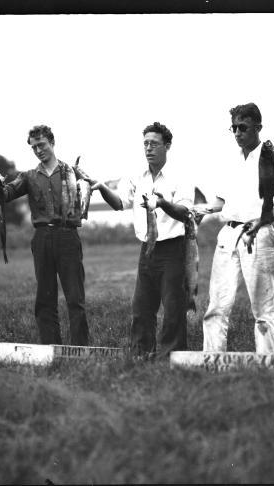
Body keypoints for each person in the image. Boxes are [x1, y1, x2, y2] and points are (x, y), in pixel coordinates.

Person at [1, 125, 120, 346]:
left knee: (75, 298)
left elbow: (105, 194)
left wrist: (97, 184)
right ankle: (50, 346)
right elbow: (6, 193)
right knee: (44, 299)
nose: (38, 150)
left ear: (52, 143)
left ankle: (80, 347)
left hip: (68, 236)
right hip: (42, 238)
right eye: (34, 147)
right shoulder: (28, 176)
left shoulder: (73, 172)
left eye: (42, 145)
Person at [194, 103, 274, 353]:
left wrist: (261, 222)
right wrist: (198, 210)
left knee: (262, 308)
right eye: (233, 128)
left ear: (258, 127)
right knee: (217, 304)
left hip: (258, 234)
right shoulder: (230, 162)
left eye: (243, 127)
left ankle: (266, 361)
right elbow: (220, 203)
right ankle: (212, 358)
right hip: (227, 235)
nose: (237, 133)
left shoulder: (270, 158)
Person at [113, 122, 194, 359]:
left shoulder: (181, 177)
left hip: (174, 249)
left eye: (154, 143)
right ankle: (141, 355)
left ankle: (172, 357)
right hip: (146, 249)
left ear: (167, 146)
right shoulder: (136, 177)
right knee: (141, 308)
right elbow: (119, 203)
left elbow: (185, 212)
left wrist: (163, 203)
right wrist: (98, 187)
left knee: (173, 309)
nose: (149, 148)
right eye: (146, 143)